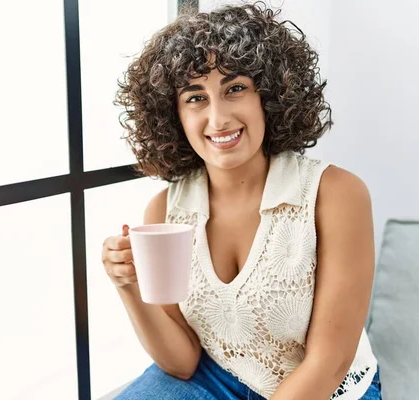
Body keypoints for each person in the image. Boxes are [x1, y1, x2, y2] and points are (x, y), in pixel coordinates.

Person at [101, 2, 382, 399]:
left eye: (235, 89)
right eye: (195, 98)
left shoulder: (335, 194)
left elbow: (329, 362)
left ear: (267, 95)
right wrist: (127, 284)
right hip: (214, 376)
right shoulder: (165, 210)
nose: (218, 119)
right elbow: (181, 363)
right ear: (174, 114)